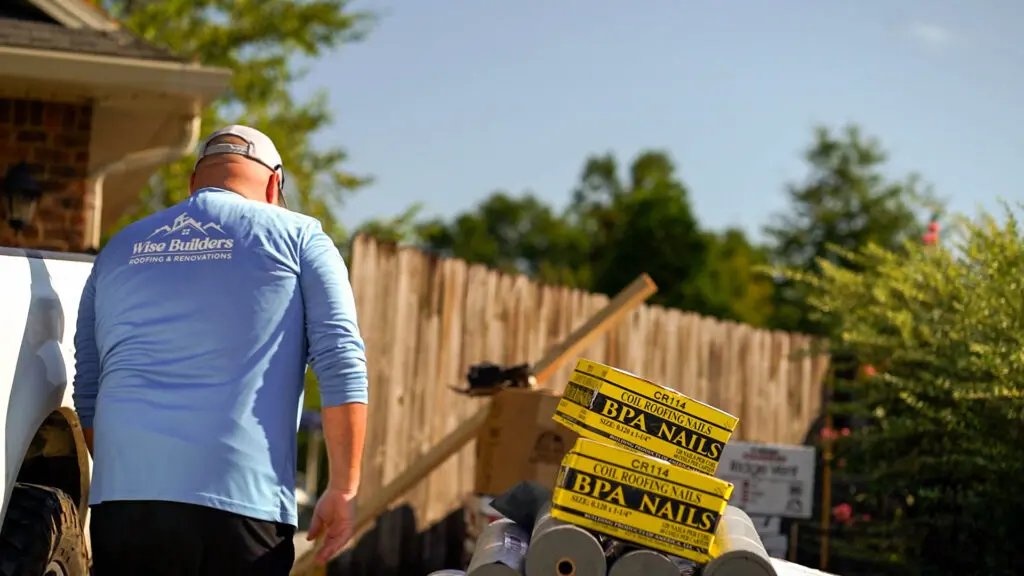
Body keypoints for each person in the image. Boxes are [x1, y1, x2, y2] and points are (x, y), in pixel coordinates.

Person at [73, 125, 368, 575]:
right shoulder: (301, 237)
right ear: (275, 185)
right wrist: (343, 488)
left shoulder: (118, 249)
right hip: (240, 500)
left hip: (123, 501)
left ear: (194, 184)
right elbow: (341, 360)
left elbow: (89, 387)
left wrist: (139, 474)